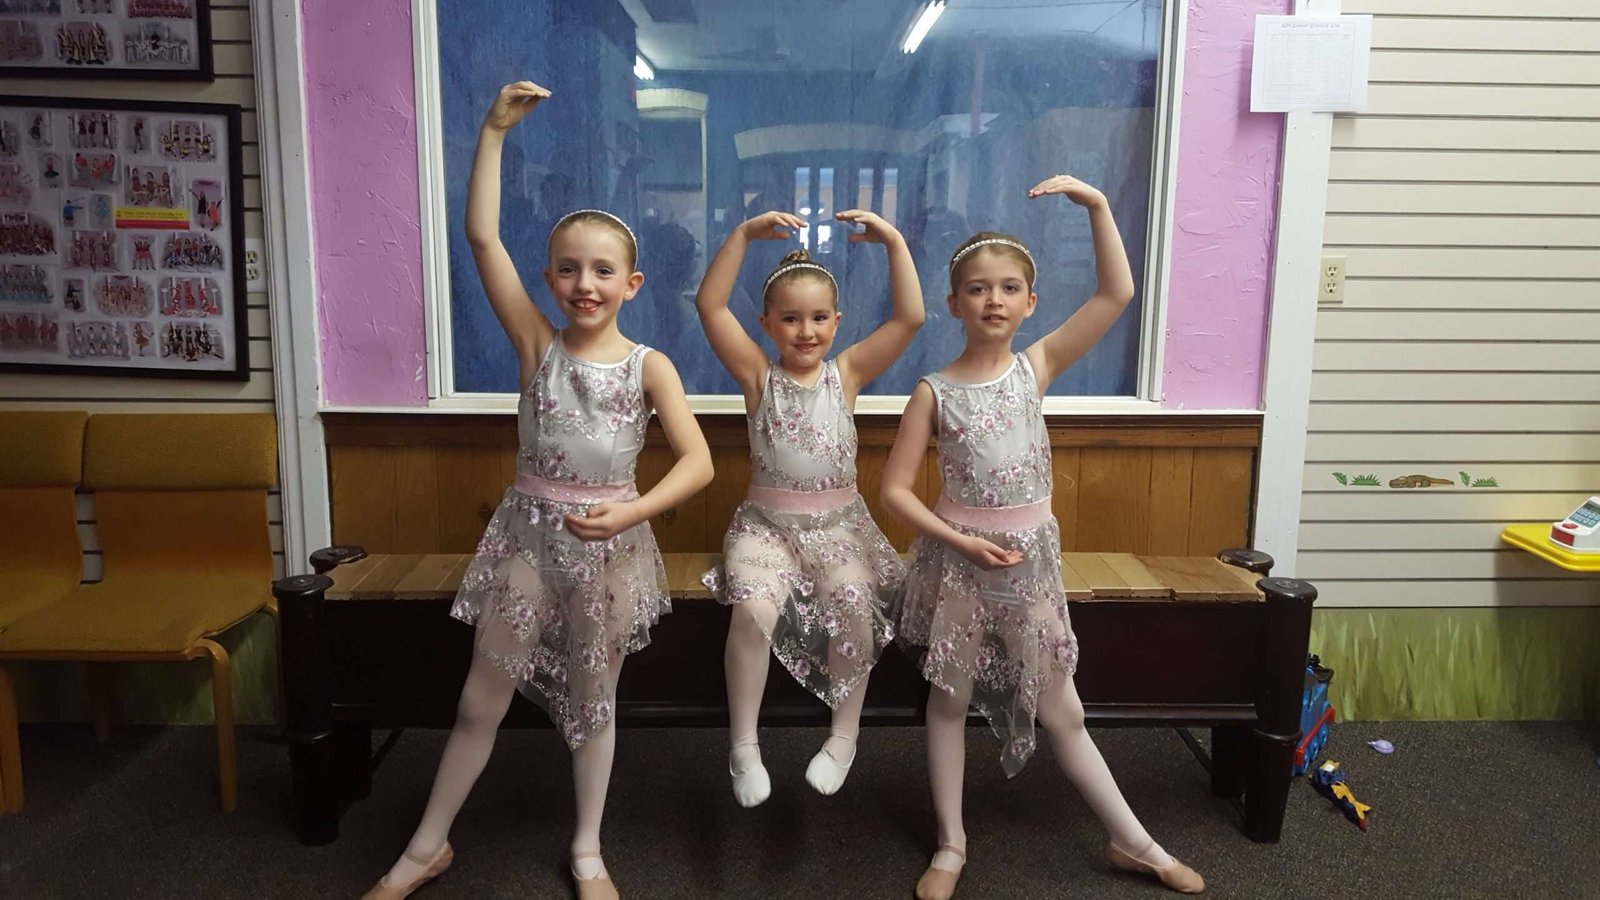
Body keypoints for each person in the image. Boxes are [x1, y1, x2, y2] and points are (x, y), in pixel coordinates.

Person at [361, 81, 714, 900]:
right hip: (527, 543)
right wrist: (491, 134)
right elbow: (482, 236)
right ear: (550, 278)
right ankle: (426, 847)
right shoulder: (536, 345)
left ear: (632, 283)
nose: (584, 283)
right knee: (479, 697)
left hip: (608, 551)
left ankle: (588, 850)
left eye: (602, 271)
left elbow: (696, 462)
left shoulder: (650, 366)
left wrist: (632, 511)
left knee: (596, 703)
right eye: (568, 269)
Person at [882, 175, 1205, 898]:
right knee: (947, 701)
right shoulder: (934, 391)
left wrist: (1098, 206)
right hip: (961, 567)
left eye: (1008, 288)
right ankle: (951, 844)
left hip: (1028, 567)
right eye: (977, 289)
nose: (993, 300)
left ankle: (1135, 842)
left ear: (1030, 302)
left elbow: (1116, 294)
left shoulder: (1037, 367)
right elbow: (895, 491)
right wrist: (959, 541)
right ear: (954, 303)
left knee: (1063, 709)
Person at [696, 207, 923, 807]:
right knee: (752, 609)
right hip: (765, 529)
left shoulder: (846, 374)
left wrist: (893, 241)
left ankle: (844, 737)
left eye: (819, 318)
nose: (805, 331)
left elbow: (910, 318)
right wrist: (742, 235)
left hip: (840, 528)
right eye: (791, 318)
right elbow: (710, 307)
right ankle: (743, 745)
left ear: (837, 321)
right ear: (767, 323)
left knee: (853, 602)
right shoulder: (757, 376)